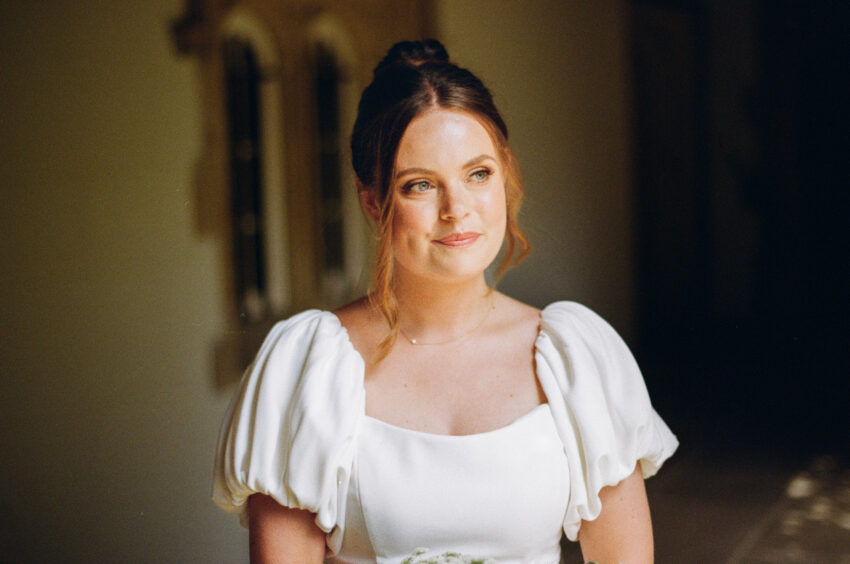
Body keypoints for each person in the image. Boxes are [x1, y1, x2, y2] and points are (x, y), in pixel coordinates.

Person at [213, 39, 678, 564]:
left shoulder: (577, 356)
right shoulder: (305, 367)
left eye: (478, 174)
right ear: (373, 202)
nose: (457, 210)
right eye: (420, 186)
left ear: (505, 174)